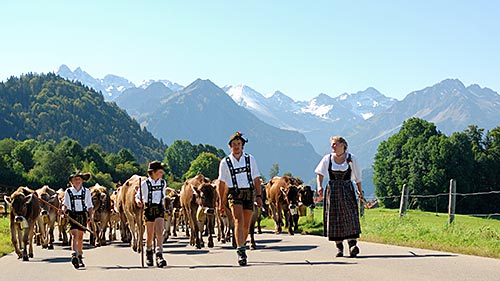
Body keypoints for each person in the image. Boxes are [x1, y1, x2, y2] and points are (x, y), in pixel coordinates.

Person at [217, 131, 263, 266]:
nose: (236, 146)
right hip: (234, 193)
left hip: (248, 193)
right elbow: (221, 183)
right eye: (234, 144)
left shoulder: (250, 159)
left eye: (239, 144)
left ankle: (241, 244)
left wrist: (259, 196)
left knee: (246, 224)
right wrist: (221, 201)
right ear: (230, 147)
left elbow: (256, 179)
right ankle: (241, 251)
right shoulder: (225, 162)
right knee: (238, 220)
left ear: (242, 145)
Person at [315, 136, 363, 258]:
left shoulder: (351, 159)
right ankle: (339, 248)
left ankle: (352, 245)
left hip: (347, 189)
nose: (332, 146)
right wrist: (319, 186)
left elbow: (357, 177)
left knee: (350, 215)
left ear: (343, 145)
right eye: (332, 144)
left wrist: (359, 190)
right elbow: (320, 173)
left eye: (335, 144)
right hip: (333, 191)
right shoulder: (328, 158)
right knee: (334, 217)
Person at [135, 160, 168, 268]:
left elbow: (163, 197)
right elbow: (137, 196)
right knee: (149, 234)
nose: (162, 173)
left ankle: (159, 255)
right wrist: (138, 201)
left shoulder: (163, 183)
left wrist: (165, 206)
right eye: (160, 171)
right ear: (153, 172)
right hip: (148, 209)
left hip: (158, 208)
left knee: (159, 231)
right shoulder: (145, 184)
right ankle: (149, 251)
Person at [59, 170, 94, 269]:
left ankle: (79, 255)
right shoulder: (68, 191)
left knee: (80, 236)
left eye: (79, 179)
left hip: (83, 215)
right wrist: (63, 212)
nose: (77, 181)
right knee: (74, 234)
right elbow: (65, 204)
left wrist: (90, 216)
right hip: (72, 215)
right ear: (72, 182)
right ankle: (74, 254)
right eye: (75, 180)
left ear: (82, 181)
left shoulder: (86, 191)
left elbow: (90, 206)